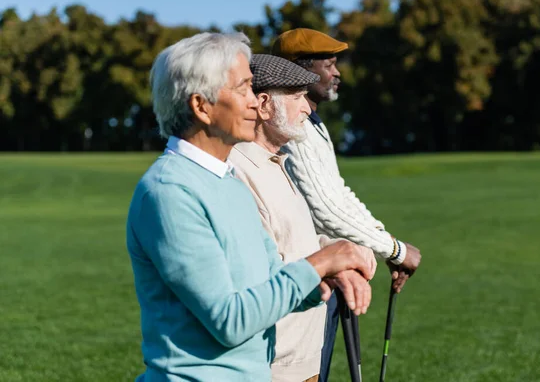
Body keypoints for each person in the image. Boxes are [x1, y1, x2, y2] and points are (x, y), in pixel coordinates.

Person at [125, 32, 376, 382]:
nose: (256, 104)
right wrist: (319, 262)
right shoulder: (169, 191)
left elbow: (271, 281)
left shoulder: (226, 181)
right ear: (201, 106)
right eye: (243, 88)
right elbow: (229, 320)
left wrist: (324, 278)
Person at [272, 28, 423, 381]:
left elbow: (338, 192)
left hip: (326, 268)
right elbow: (325, 209)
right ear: (300, 71)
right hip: (304, 276)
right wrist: (395, 250)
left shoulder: (313, 123)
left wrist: (382, 239)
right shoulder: (292, 127)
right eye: (329, 64)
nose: (337, 73)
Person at [229, 54, 374, 382]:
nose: (308, 108)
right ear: (264, 104)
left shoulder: (277, 162)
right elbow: (257, 276)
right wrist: (329, 262)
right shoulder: (238, 172)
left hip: (305, 358)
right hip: (273, 366)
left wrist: (337, 256)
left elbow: (294, 242)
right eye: (296, 98)